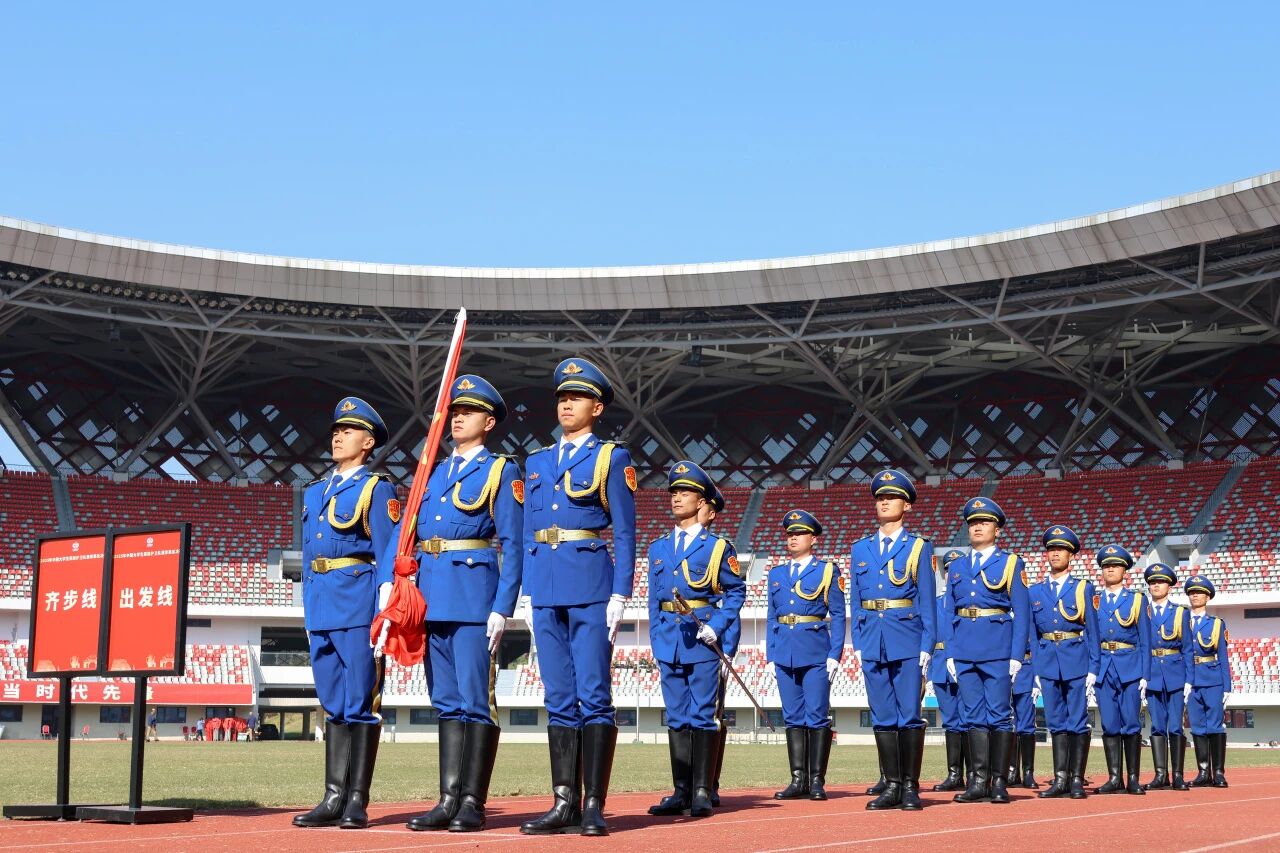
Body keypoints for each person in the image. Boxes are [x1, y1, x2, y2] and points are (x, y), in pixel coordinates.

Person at [400, 375, 524, 833]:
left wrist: (502, 607)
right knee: (446, 703)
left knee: (476, 703)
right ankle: (447, 799)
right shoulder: (432, 471)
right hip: (432, 598)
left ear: (488, 422)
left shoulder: (500, 471)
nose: (457, 419)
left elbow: (513, 543)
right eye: (455, 412)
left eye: (468, 412)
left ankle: (473, 801)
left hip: (474, 599)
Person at [519, 358, 636, 838]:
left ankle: (593, 804)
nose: (566, 405)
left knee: (594, 695)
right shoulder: (536, 462)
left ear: (597, 407)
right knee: (558, 698)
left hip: (590, 586)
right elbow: (527, 532)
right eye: (562, 398)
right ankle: (563, 801)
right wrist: (525, 591)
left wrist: (621, 592)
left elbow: (625, 532)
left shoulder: (611, 458)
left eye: (577, 397)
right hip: (545, 588)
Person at [293, 397, 399, 830]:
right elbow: (307, 556)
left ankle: (356, 799)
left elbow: (388, 551)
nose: (338, 437)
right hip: (321, 604)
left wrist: (384, 605)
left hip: (357, 603)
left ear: (368, 442)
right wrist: (307, 610)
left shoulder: (376, 488)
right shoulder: (315, 491)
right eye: (336, 430)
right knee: (332, 702)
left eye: (348, 431)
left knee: (359, 702)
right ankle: (332, 796)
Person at [646, 461, 745, 819]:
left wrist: (717, 625)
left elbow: (735, 592)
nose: (676, 497)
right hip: (668, 641)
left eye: (684, 492)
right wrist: (655, 636)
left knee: (702, 715)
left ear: (701, 502)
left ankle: (702, 790)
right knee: (676, 717)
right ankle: (681, 790)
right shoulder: (658, 547)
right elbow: (654, 599)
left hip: (701, 640)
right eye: (674, 492)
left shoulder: (717, 548)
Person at [850, 469, 935, 811]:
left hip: (907, 639)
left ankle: (911, 787)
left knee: (909, 715)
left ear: (907, 506)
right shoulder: (860, 548)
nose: (884, 502)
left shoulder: (918, 547)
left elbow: (927, 602)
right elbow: (856, 601)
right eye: (880, 498)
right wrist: (858, 642)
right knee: (883, 715)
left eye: (892, 497)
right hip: (873, 639)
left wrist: (927, 646)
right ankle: (892, 785)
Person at [941, 497, 1028, 805]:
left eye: (984, 522)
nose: (977, 527)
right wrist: (950, 653)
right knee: (973, 716)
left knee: (1000, 715)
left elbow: (1022, 613)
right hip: (964, 649)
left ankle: (999, 781)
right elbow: (949, 612)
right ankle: (978, 781)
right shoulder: (957, 566)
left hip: (997, 649)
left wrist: (1016, 656)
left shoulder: (1010, 563)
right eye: (973, 523)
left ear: (997, 529)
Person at [767, 509, 847, 802]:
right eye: (790, 534)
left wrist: (835, 654)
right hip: (784, 653)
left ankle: (816, 781)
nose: (793, 538)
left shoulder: (826, 571)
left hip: (815, 653)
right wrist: (770, 655)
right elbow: (771, 617)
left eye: (799, 534)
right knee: (792, 717)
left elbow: (838, 615)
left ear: (813, 539)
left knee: (816, 716)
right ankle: (797, 779)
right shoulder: (776, 574)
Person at [1027, 525, 1097, 800]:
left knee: (1077, 720)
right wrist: (1035, 668)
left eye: (1061, 550)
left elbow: (1093, 631)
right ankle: (1060, 778)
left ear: (1071, 555)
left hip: (1076, 659)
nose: (1055, 554)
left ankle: (1077, 779)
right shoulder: (1035, 591)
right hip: (1047, 661)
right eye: (1051, 550)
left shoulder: (1082, 588)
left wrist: (1093, 668)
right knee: (1055, 721)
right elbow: (1033, 635)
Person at [1091, 544, 1151, 796]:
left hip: (1130, 666)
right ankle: (1114, 777)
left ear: (1125, 570)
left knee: (1131, 723)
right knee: (1109, 724)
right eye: (1106, 566)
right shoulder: (1094, 601)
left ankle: (1133, 778)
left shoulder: (1137, 599)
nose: (1110, 569)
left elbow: (1145, 639)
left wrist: (1146, 674)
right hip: (1103, 667)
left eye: (1115, 566)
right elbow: (1090, 638)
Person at [701, 486, 736, 808]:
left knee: (713, 716)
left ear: (711, 512)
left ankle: (709, 783)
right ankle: (689, 785)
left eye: (703, 504)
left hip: (715, 648)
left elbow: (731, 607)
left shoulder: (719, 551)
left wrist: (729, 651)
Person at [1143, 563, 1192, 791]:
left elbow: (1188, 648)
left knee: (1175, 727)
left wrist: (1189, 679)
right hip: (1152, 672)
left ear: (1169, 586)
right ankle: (1160, 775)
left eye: (1160, 582)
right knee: (1157, 727)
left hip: (1175, 673)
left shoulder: (1180, 612)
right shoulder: (1142, 611)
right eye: (1152, 582)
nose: (1156, 585)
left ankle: (1178, 775)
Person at [1184, 575, 1231, 788]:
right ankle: (1203, 772)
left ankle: (1218, 773)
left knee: (1215, 725)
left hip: (1212, 679)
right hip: (1190, 680)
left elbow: (1223, 656)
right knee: (1197, 726)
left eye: (1199, 593)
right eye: (1192, 592)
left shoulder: (1216, 624)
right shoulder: (1181, 621)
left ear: (1207, 597)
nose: (1195, 596)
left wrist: (1227, 686)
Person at [930, 549, 968, 793]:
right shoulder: (934, 604)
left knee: (968, 720)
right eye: (948, 569)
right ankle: (954, 774)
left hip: (964, 664)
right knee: (951, 722)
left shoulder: (967, 602)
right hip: (939, 665)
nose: (951, 572)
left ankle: (974, 773)